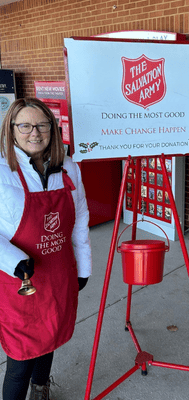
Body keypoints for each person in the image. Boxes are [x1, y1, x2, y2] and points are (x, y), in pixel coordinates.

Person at [0, 98, 92, 400]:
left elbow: (79, 222)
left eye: (42, 125)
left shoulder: (68, 167)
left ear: (53, 129)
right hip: (18, 281)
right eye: (24, 125)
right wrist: (14, 260)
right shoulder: (2, 172)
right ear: (11, 130)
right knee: (20, 358)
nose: (34, 132)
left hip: (58, 274)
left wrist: (84, 268)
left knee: (49, 338)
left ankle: (41, 390)